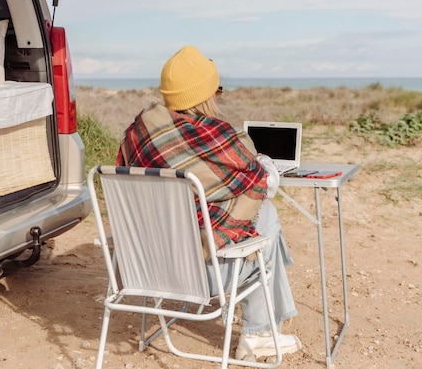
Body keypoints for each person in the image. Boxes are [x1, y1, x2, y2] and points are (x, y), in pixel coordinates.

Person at [115, 45, 302, 360]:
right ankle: (259, 332)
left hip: (142, 268)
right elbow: (262, 182)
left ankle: (265, 330)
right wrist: (264, 163)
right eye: (216, 89)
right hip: (201, 277)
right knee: (264, 217)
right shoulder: (220, 137)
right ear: (206, 95)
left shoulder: (136, 135)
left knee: (254, 223)